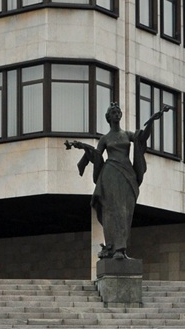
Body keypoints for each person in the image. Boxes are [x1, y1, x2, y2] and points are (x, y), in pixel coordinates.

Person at [65, 102, 171, 260]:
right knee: (111, 211)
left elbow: (142, 138)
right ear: (108, 117)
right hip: (109, 174)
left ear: (120, 115)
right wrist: (84, 148)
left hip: (127, 174)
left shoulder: (127, 134)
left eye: (118, 112)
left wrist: (152, 121)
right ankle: (114, 248)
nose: (116, 114)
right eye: (113, 112)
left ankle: (120, 248)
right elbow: (97, 156)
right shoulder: (105, 138)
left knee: (125, 211)